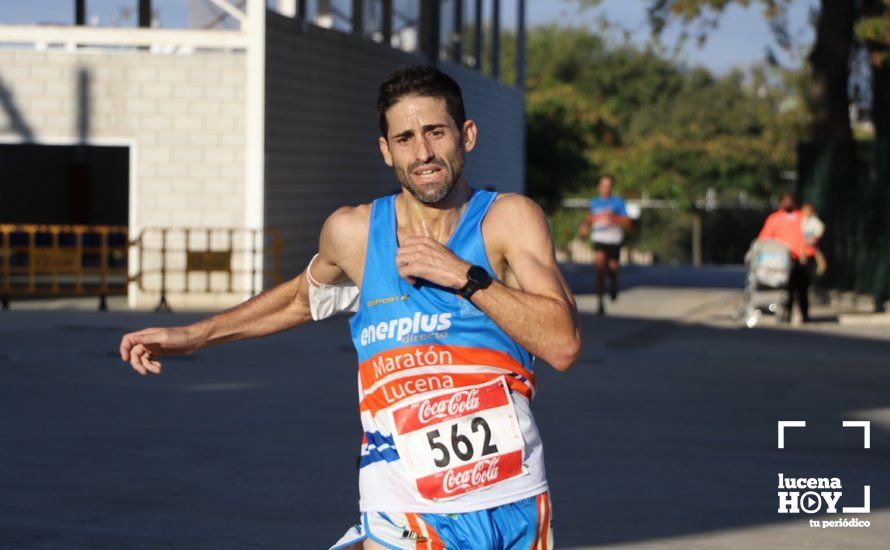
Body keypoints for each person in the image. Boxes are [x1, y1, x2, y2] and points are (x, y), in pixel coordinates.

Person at [119, 65, 581, 549]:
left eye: (435, 132)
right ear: (386, 150)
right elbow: (301, 299)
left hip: (513, 502)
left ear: (466, 136)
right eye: (404, 138)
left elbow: (563, 343)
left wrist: (466, 278)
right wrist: (193, 336)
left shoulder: (508, 221)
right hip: (403, 508)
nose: (422, 152)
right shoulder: (355, 234)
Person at [578, 175, 631, 315]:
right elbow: (589, 218)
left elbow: (627, 221)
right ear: (599, 186)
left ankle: (613, 285)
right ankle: (600, 301)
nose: (606, 188)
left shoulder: (618, 202)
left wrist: (613, 217)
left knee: (612, 269)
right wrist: (584, 226)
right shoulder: (594, 202)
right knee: (600, 268)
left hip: (614, 239)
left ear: (611, 187)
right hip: (599, 238)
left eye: (608, 185)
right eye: (603, 185)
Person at [757, 192, 809, 323]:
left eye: (790, 201)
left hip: (801, 257)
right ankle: (787, 313)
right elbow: (764, 237)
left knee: (802, 288)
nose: (787, 203)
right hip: (782, 260)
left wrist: (807, 252)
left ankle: (805, 315)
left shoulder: (802, 218)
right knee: (787, 288)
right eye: (785, 201)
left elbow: (810, 236)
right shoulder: (774, 218)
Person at [800, 203, 827, 277]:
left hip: (812, 237)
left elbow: (821, 227)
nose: (806, 212)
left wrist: (815, 236)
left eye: (807, 211)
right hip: (806, 237)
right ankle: (803, 261)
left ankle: (821, 263)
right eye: (804, 211)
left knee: (816, 250)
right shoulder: (804, 219)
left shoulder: (814, 220)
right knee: (804, 247)